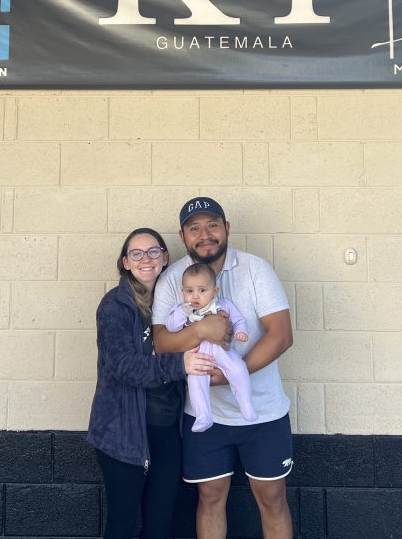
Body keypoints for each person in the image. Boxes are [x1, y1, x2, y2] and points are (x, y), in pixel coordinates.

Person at [152, 197, 294, 539]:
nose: (205, 234)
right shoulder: (174, 279)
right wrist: (201, 330)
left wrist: (234, 373)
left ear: (227, 228)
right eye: (195, 228)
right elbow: (159, 342)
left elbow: (282, 334)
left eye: (212, 225)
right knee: (211, 498)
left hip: (263, 411)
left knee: (272, 499)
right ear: (183, 235)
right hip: (205, 414)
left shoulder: (255, 268)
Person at [87, 227, 218, 539]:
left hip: (167, 429)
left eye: (153, 251)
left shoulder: (180, 304)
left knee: (160, 524)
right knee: (122, 524)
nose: (146, 259)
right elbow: (123, 367)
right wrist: (180, 364)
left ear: (165, 257)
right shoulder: (115, 306)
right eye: (136, 253)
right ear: (126, 263)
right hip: (123, 433)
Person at [165, 262, 257, 432]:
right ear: (182, 292)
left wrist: (241, 331)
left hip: (223, 352)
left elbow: (238, 319)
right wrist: (182, 312)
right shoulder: (183, 310)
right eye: (189, 291)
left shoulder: (223, 305)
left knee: (238, 370)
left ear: (215, 291)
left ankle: (245, 404)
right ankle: (203, 416)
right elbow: (171, 327)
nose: (195, 296)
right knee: (196, 383)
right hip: (198, 356)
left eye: (202, 290)